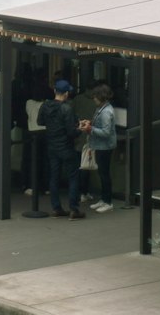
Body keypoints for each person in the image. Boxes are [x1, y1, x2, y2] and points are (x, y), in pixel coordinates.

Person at [38, 78, 89, 218]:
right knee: (73, 176)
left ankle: (56, 208)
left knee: (54, 176)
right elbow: (71, 132)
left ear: (55, 91)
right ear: (66, 93)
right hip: (66, 147)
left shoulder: (45, 106)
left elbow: (40, 121)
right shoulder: (67, 108)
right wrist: (81, 129)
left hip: (52, 146)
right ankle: (74, 209)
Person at [88, 83, 117, 212]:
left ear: (101, 97)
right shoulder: (103, 108)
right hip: (102, 145)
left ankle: (108, 201)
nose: (93, 99)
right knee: (102, 173)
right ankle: (104, 199)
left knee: (104, 174)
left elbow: (106, 132)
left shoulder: (106, 112)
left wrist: (90, 129)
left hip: (104, 146)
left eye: (95, 97)